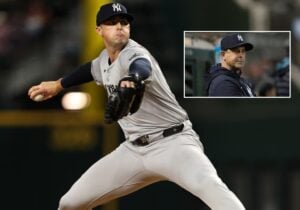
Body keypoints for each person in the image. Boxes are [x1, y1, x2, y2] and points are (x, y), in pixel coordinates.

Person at [28, 3, 245, 210]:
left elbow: (142, 66)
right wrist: (58, 85)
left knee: (211, 187)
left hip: (174, 143)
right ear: (99, 30)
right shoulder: (103, 60)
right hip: (133, 151)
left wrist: (133, 78)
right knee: (70, 203)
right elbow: (89, 69)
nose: (120, 26)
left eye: (124, 22)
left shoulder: (135, 53)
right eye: (112, 22)